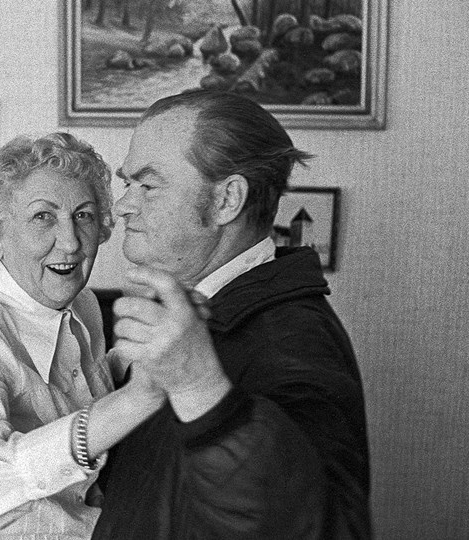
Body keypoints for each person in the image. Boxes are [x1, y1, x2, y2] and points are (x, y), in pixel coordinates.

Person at [91, 89, 371, 539]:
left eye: (148, 185)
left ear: (227, 200)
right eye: (128, 184)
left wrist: (199, 387)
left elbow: (323, 528)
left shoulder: (293, 340)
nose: (123, 205)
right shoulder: (183, 320)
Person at [0, 132, 166, 538]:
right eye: (43, 217)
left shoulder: (81, 303)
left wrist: (135, 356)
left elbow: (73, 395)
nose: (70, 243)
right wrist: (136, 400)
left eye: (83, 215)